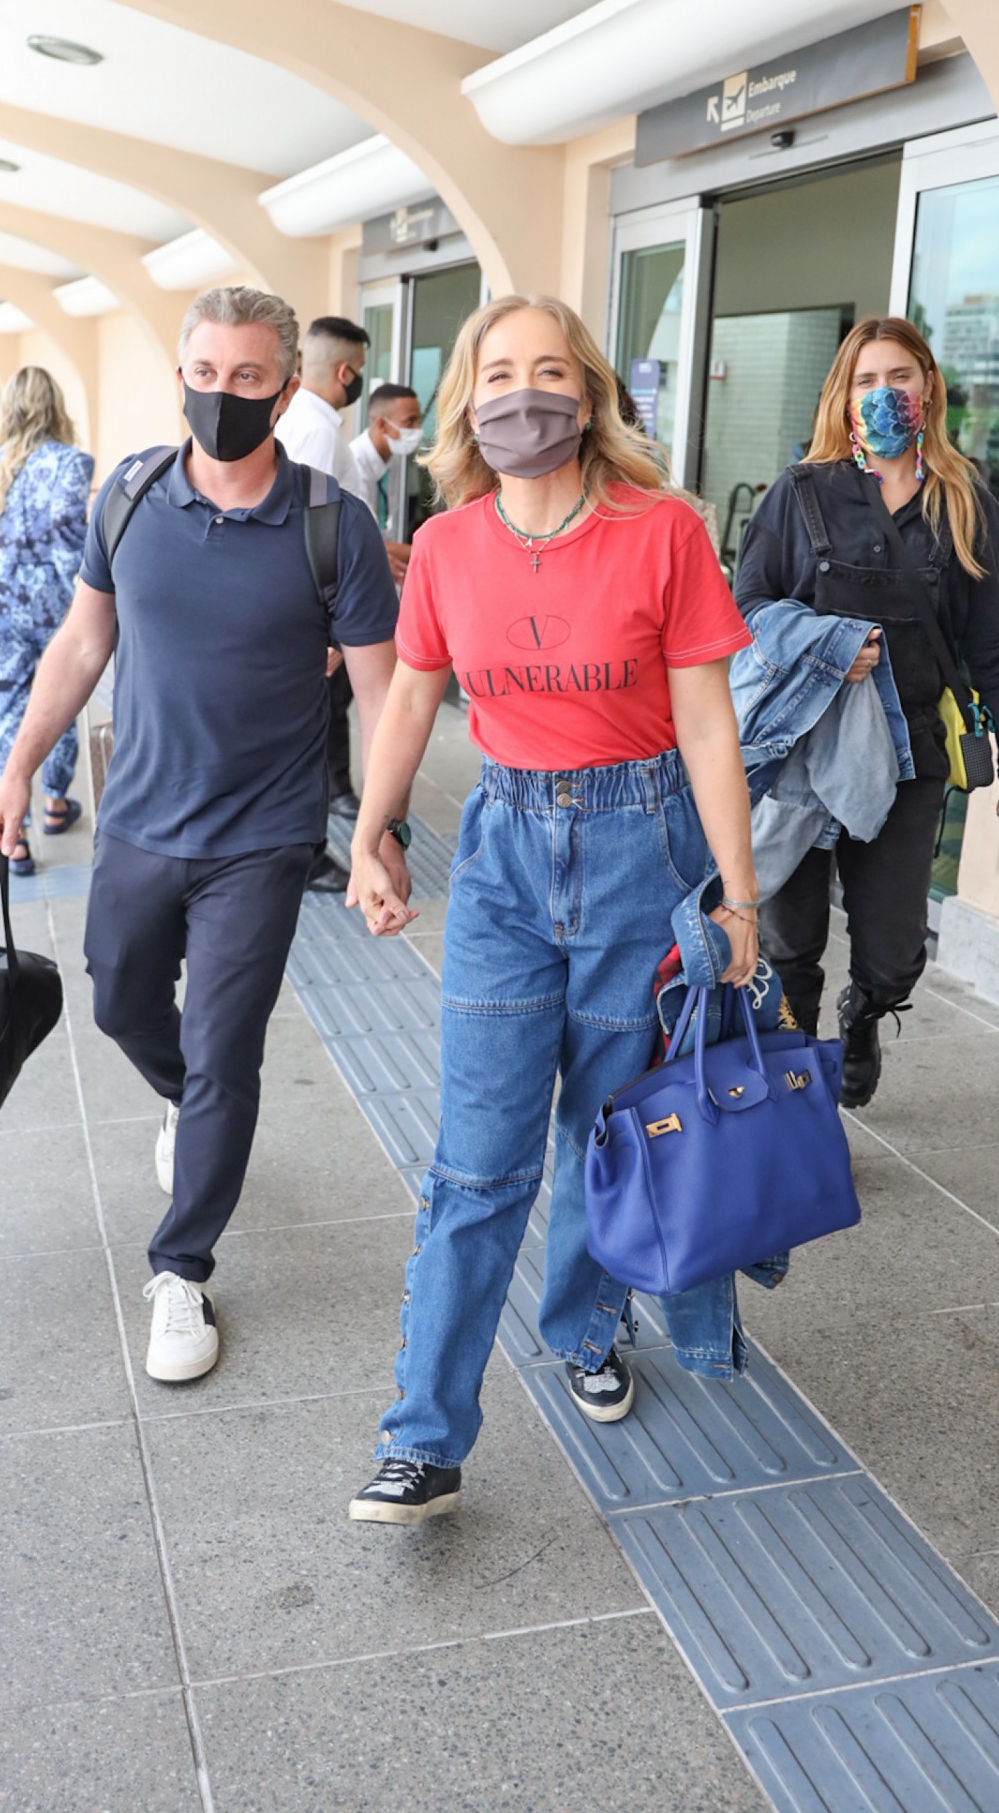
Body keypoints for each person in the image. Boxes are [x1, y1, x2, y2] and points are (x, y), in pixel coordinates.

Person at [344, 293, 759, 1526]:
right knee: (476, 1164)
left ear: (587, 390)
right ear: (470, 398)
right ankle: (423, 1435)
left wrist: (739, 900)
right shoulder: (449, 542)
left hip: (643, 848)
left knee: (606, 1128)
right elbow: (412, 701)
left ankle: (586, 1326)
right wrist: (374, 831)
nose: (525, 393)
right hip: (505, 857)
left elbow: (704, 723)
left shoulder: (663, 531)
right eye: (499, 372)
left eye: (549, 371)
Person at [0, 286, 400, 1384]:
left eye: (248, 379)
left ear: (287, 388)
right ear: (182, 378)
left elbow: (384, 688)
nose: (222, 396)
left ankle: (183, 1270)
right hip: (141, 819)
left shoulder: (330, 523)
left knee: (226, 1051)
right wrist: (19, 771)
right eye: (204, 376)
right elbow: (80, 644)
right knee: (118, 997)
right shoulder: (129, 496)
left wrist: (377, 833)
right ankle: (188, 1100)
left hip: (263, 835)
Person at [736, 315, 999, 1106]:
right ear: (842, 397)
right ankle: (797, 1094)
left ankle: (862, 1018)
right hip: (804, 755)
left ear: (928, 387)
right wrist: (823, 644)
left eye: (900, 377)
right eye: (866, 380)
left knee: (893, 954)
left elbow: (985, 640)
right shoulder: (802, 492)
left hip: (911, 755)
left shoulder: (965, 498)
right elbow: (748, 603)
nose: (885, 394)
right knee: (790, 945)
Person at [0, 367, 93, 874]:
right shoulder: (73, 464)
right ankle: (55, 801)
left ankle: (19, 835)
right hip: (56, 607)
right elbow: (70, 543)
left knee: (6, 709)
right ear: (56, 405)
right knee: (58, 698)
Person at [275, 315, 372, 855]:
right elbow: (306, 534)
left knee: (324, 720)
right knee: (313, 727)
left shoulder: (312, 422)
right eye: (357, 371)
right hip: (321, 615)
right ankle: (306, 854)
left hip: (323, 613)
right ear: (344, 370)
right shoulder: (314, 429)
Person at [349, 382, 423, 584]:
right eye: (410, 421)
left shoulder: (396, 460)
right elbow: (365, 539)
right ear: (382, 424)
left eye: (419, 420)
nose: (418, 429)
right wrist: (428, 549)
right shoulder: (353, 464)